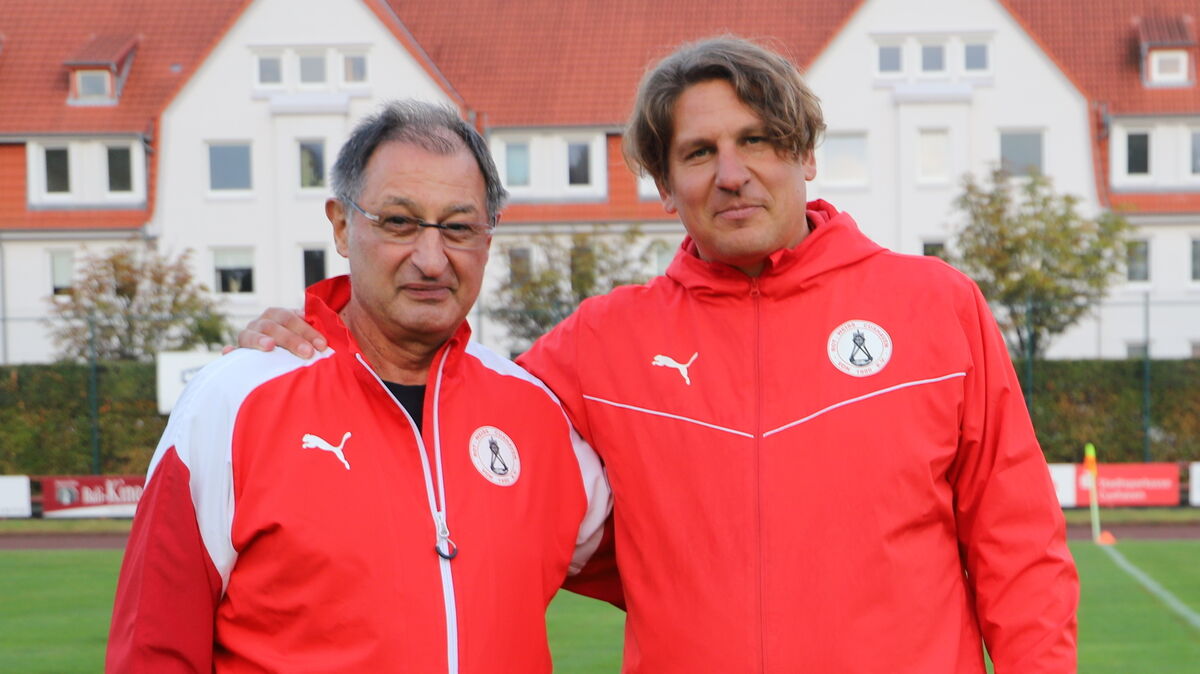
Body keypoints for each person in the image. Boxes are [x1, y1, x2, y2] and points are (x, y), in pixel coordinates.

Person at [239, 38, 1079, 673]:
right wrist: (327, 335)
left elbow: (1019, 544)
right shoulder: (603, 342)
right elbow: (451, 419)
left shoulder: (936, 307)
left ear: (806, 155)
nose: (733, 173)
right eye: (699, 153)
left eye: (758, 141)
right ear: (665, 184)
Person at [107, 101, 611, 672]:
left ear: (488, 241)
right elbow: (154, 645)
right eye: (399, 222)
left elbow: (677, 568)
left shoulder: (536, 413)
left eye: (458, 227)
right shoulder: (235, 399)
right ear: (343, 227)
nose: (431, 258)